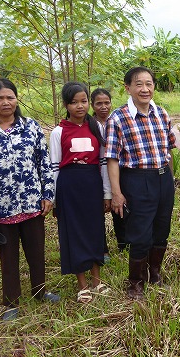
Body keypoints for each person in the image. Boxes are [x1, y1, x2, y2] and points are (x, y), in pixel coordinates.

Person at [0, 78, 60, 321]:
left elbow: (44, 164)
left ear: (16, 99)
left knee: (36, 251)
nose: (5, 102)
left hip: (32, 202)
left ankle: (40, 291)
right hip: (0, 207)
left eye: (10, 97)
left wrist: (48, 194)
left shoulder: (31, 127)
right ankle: (11, 302)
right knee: (8, 257)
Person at [105, 67, 176, 299]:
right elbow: (112, 158)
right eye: (139, 84)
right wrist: (116, 193)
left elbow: (169, 150)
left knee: (161, 230)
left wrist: (171, 180)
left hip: (163, 178)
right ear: (128, 88)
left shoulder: (162, 114)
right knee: (140, 233)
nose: (145, 89)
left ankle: (155, 274)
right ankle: (135, 282)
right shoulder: (118, 117)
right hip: (137, 179)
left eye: (149, 84)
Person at [50, 82, 112, 303]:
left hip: (92, 184)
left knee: (95, 231)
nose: (80, 106)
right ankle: (82, 284)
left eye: (83, 101)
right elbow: (55, 166)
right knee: (74, 232)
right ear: (66, 105)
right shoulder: (58, 132)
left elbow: (104, 162)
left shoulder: (97, 127)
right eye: (74, 102)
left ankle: (97, 281)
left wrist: (107, 193)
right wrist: (55, 199)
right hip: (69, 186)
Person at [91, 88, 127, 260]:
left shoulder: (117, 120)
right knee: (97, 213)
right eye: (99, 103)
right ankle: (102, 249)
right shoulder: (90, 125)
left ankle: (124, 246)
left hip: (117, 173)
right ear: (92, 105)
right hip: (96, 174)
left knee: (120, 210)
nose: (103, 107)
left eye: (107, 102)